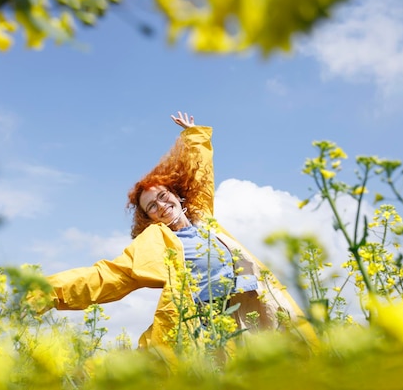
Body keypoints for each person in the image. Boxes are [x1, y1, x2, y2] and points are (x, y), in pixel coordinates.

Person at [35, 112, 316, 349]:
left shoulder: (203, 216)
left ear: (177, 195)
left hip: (252, 300)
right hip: (208, 316)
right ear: (149, 219)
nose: (160, 205)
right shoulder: (155, 242)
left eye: (162, 196)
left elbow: (200, 172)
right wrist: (48, 292)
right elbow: (107, 275)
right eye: (151, 207)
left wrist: (194, 137)